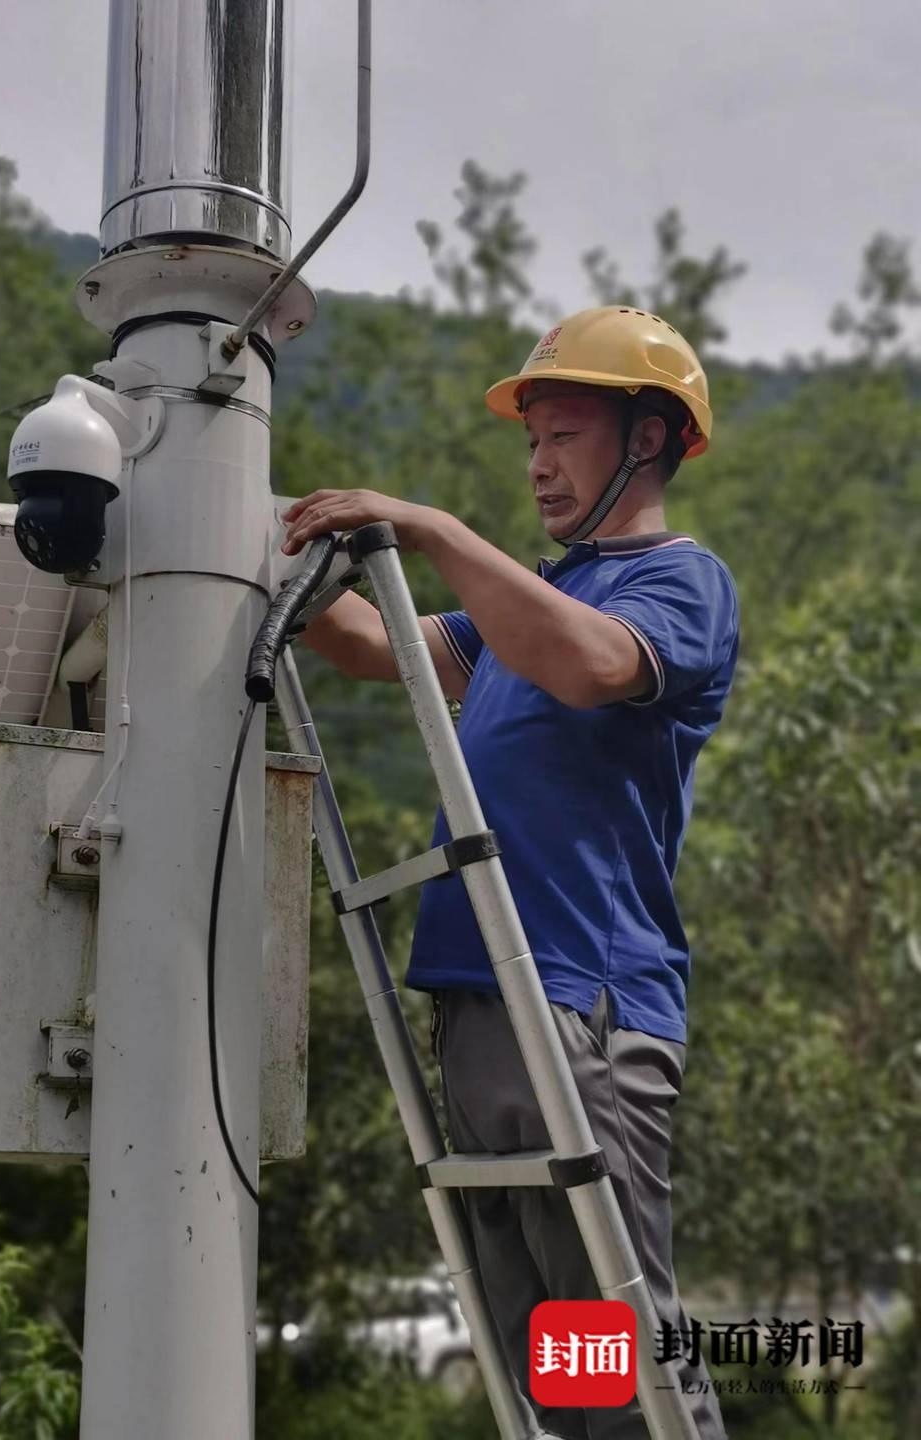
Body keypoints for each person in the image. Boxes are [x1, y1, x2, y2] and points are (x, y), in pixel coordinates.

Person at [281, 305, 737, 1440]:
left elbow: (588, 667)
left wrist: (428, 524)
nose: (536, 464)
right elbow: (375, 644)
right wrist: (246, 515)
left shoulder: (678, 584)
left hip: (583, 996)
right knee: (543, 1358)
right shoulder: (523, 608)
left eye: (564, 434)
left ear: (650, 439)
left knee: (616, 1349)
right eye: (530, 439)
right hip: (483, 991)